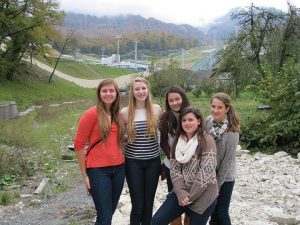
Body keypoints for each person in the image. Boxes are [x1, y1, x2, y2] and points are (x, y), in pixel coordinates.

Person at [152, 106, 218, 225]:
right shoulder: (178, 141)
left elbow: (206, 171)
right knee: (157, 220)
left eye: (190, 120)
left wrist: (190, 197)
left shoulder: (207, 140)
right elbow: (175, 169)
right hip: (182, 192)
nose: (187, 123)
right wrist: (181, 192)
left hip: (203, 194)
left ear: (198, 121)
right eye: (184, 120)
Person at [74, 79, 125, 225]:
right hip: (98, 171)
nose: (108, 94)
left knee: (110, 212)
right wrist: (85, 176)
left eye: (111, 90)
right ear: (99, 94)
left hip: (119, 169)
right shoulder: (91, 114)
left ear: (116, 93)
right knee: (104, 217)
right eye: (105, 91)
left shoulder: (118, 115)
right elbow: (78, 145)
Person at [120, 77, 162, 225]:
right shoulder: (125, 113)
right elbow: (120, 139)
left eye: (143, 88)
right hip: (133, 163)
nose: (140, 91)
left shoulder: (156, 110)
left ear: (148, 90)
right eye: (137, 89)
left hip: (153, 162)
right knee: (138, 205)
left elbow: (166, 134)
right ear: (132, 92)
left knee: (148, 204)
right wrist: (125, 135)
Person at [206, 93, 240, 225]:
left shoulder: (232, 131)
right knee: (212, 211)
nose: (215, 110)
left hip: (225, 178)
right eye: (213, 106)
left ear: (227, 108)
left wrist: (217, 185)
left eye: (219, 107)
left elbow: (228, 161)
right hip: (209, 173)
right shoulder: (208, 121)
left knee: (221, 211)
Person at [159, 86, 190, 225]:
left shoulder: (192, 114)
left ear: (183, 98)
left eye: (177, 99)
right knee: (174, 201)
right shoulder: (166, 117)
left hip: (191, 167)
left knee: (190, 202)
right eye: (171, 100)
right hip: (172, 166)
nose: (174, 103)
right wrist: (174, 157)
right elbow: (163, 142)